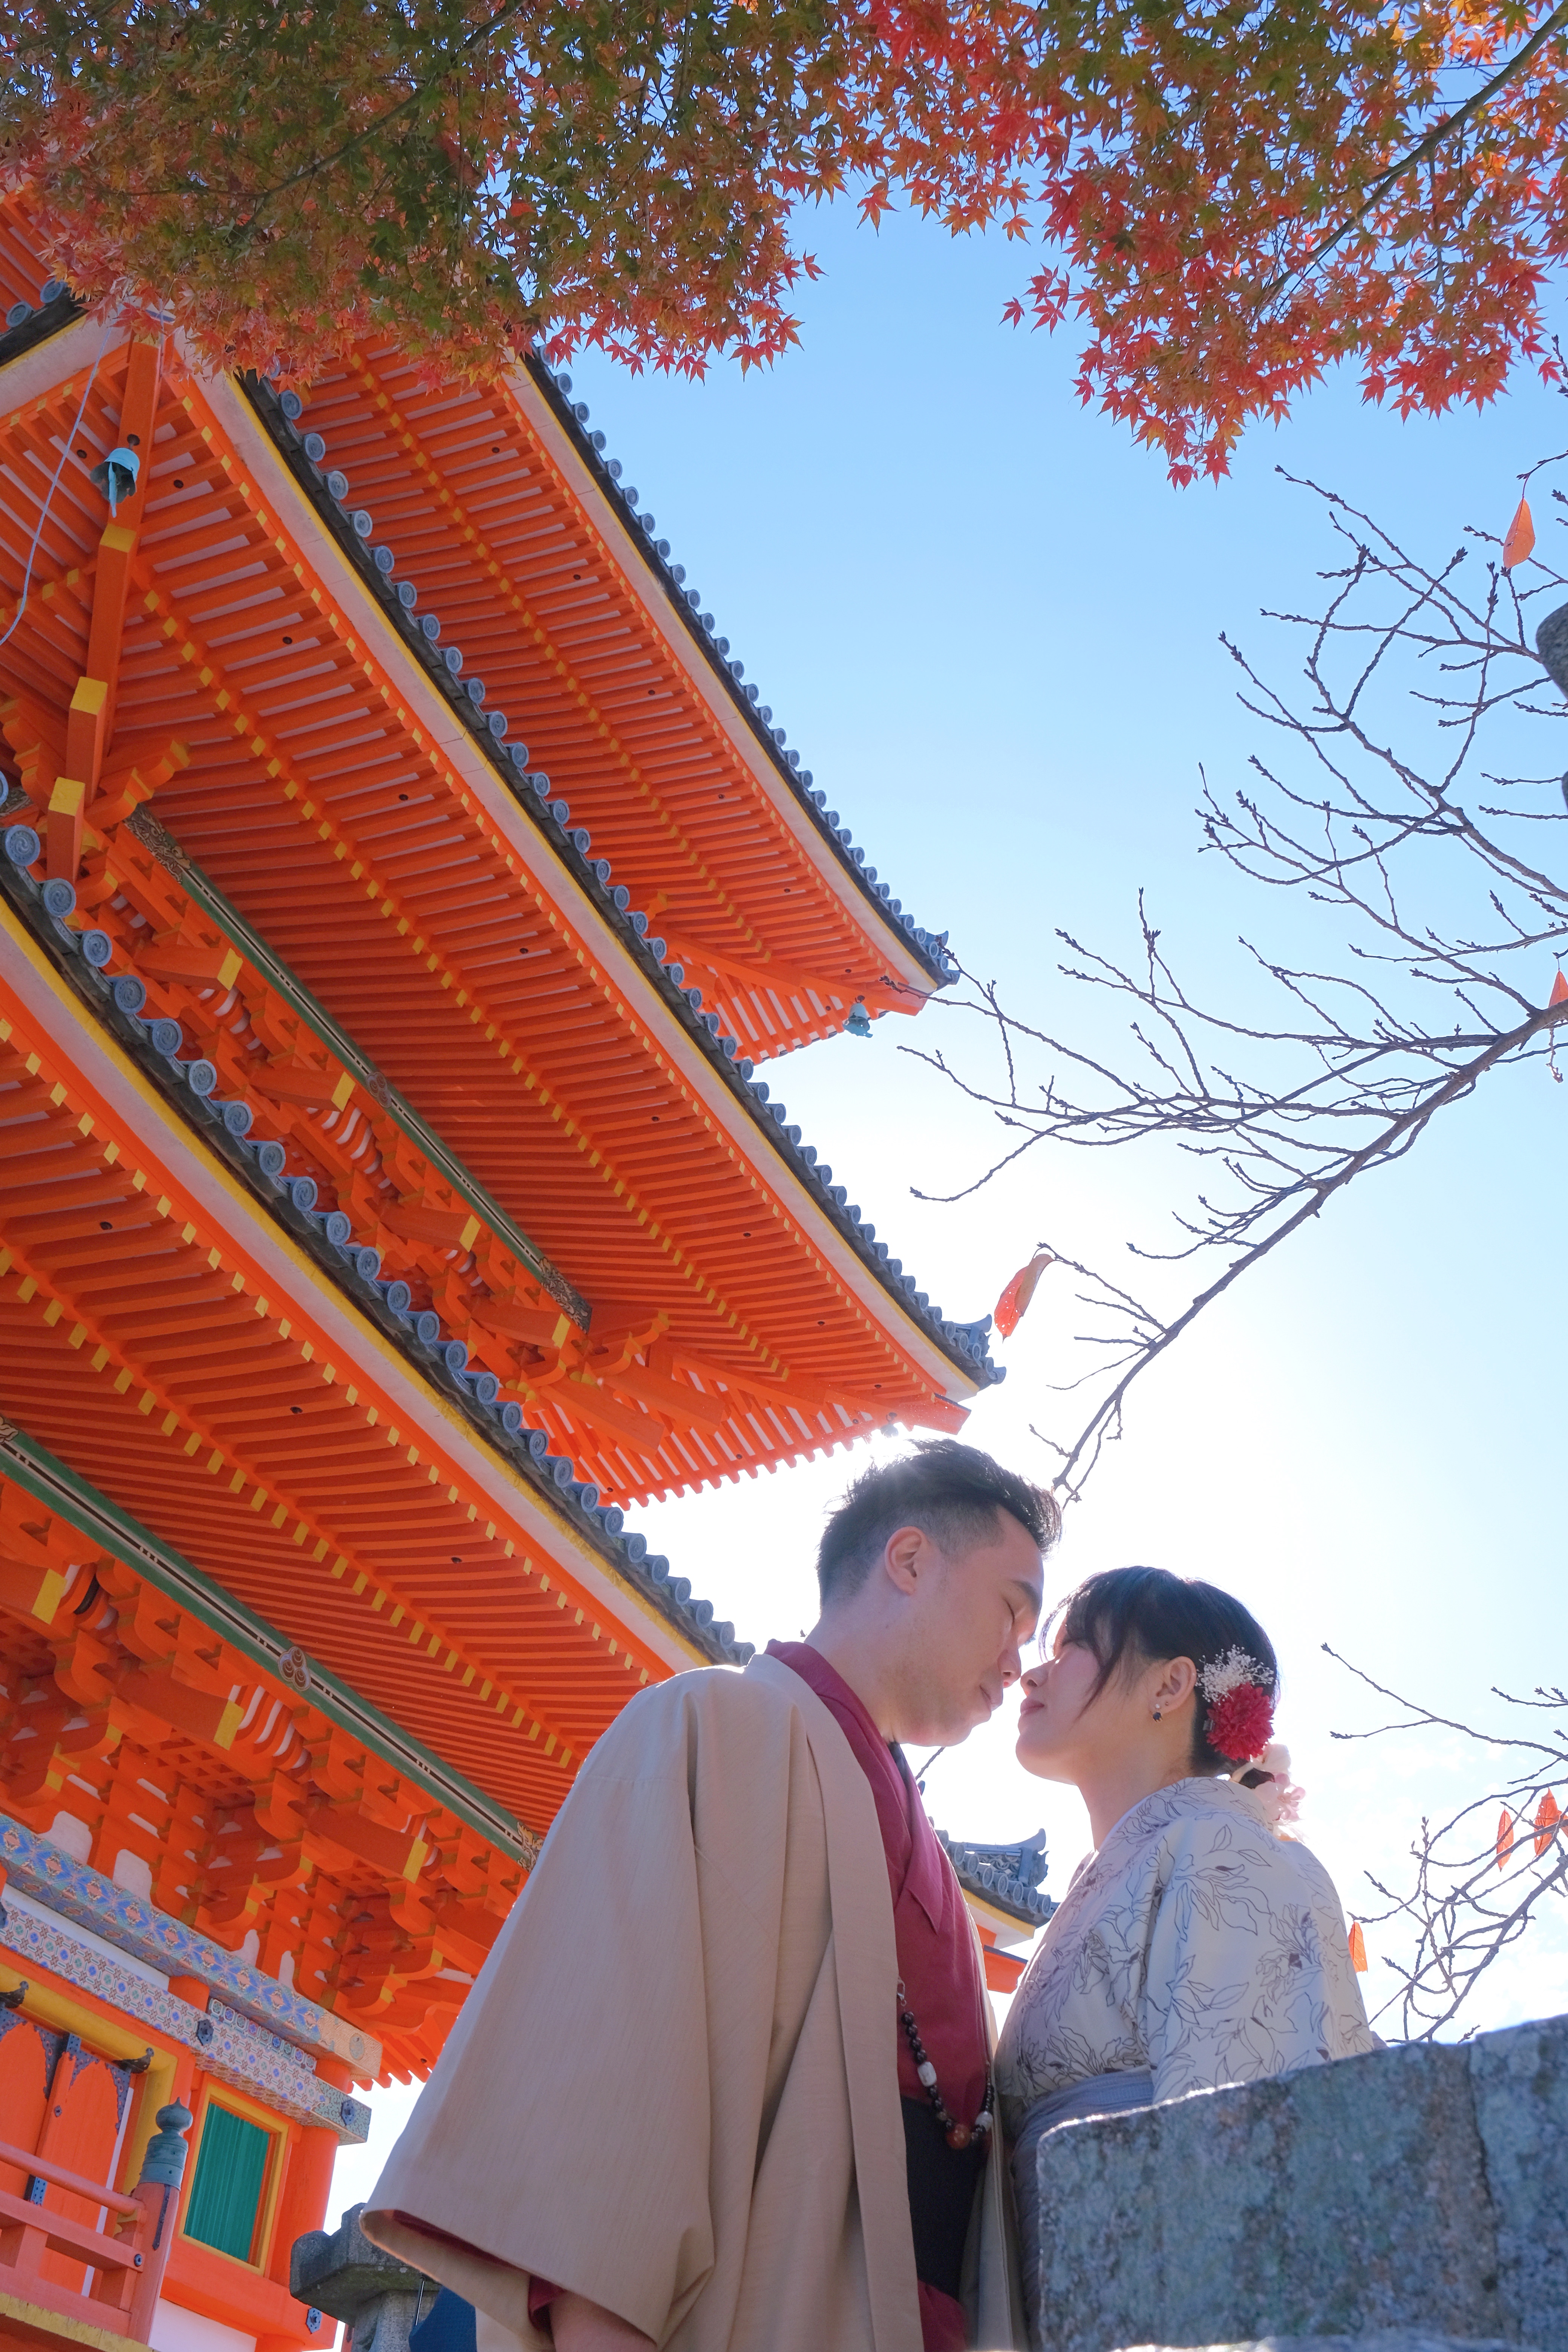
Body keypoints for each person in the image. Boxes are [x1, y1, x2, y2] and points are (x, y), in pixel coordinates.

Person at [362, 1441, 1060, 2352]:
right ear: (910, 1559)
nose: (1018, 1663)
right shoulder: (712, 1725)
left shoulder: (912, 1834)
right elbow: (611, 2093)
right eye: (1012, 1613)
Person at [994, 1567, 1377, 2343]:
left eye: (1070, 1648)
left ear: (1169, 1686)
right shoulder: (1124, 1870)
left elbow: (1245, 2164)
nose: (1031, 1670)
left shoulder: (1227, 1849)